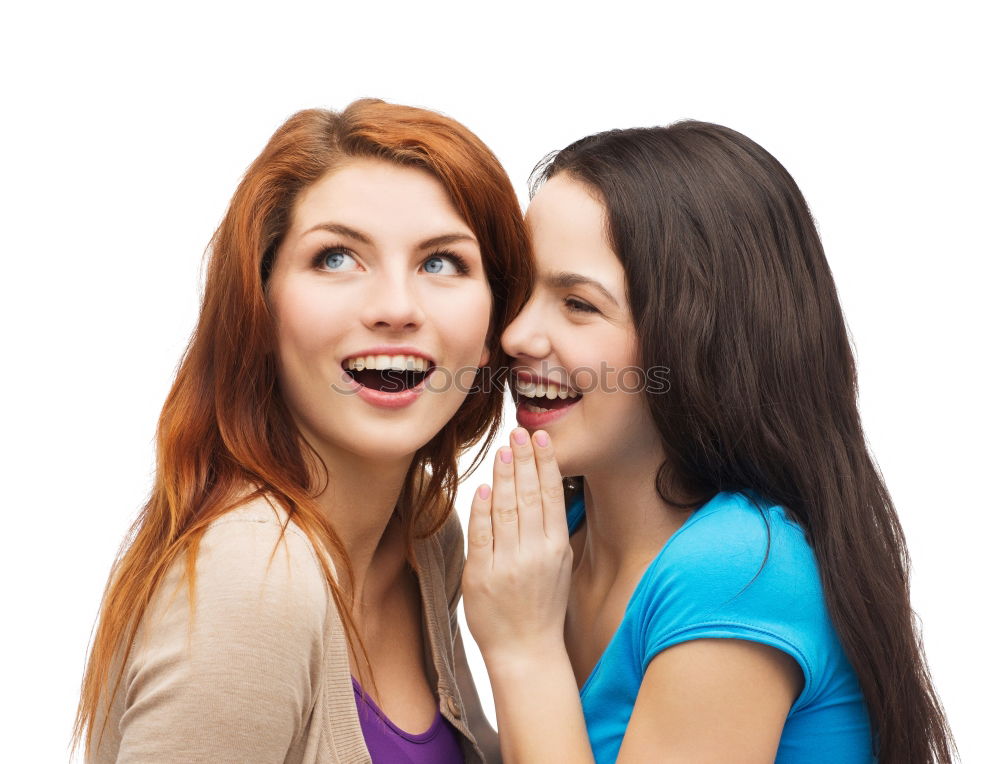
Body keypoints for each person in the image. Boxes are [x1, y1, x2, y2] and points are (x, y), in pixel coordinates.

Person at [462, 123, 956, 763]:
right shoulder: (562, 535)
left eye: (578, 304)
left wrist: (523, 649)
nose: (518, 335)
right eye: (520, 289)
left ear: (698, 338)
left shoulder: (740, 569)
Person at [72, 99, 532, 763]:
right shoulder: (252, 580)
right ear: (258, 308)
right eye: (337, 258)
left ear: (494, 331)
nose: (396, 309)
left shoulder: (427, 537)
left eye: (441, 263)